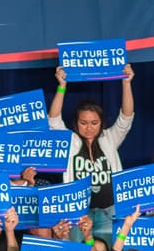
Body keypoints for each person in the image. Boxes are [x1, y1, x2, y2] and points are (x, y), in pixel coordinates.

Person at [48, 65, 136, 241]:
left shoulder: (109, 138)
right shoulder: (70, 141)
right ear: (76, 123)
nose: (89, 128)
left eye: (94, 123)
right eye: (84, 123)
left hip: (109, 211)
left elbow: (126, 117)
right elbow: (53, 120)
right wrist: (62, 86)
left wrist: (126, 83)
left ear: (102, 123)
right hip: (78, 213)